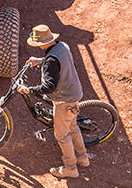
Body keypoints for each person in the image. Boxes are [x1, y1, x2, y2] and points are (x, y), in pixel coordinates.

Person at [16, 25, 86, 178]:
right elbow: (57, 62)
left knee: (62, 135)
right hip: (74, 94)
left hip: (63, 101)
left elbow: (49, 86)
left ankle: (70, 168)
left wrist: (30, 89)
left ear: (42, 43)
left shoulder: (51, 62)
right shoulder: (63, 46)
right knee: (73, 126)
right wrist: (40, 61)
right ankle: (83, 158)